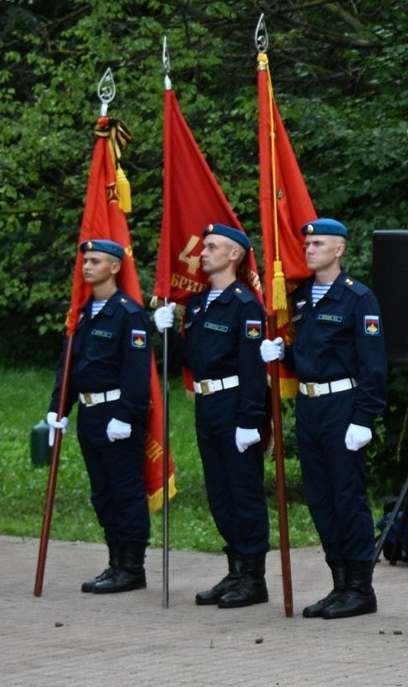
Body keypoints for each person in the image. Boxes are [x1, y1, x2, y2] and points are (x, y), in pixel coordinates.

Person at [273, 219, 387, 619]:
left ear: (339, 249)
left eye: (319, 244)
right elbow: (311, 355)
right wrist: (283, 354)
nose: (309, 249)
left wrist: (363, 417)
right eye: (307, 244)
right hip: (310, 407)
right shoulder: (301, 297)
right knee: (320, 498)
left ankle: (360, 587)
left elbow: (373, 364)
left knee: (347, 497)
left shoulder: (358, 298)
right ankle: (339, 583)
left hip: (343, 405)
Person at [156, 225, 272, 608]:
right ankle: (235, 569)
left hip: (236, 404)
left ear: (234, 255)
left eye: (211, 247)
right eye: (203, 247)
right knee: (219, 492)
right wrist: (167, 334)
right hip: (207, 406)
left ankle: (253, 578)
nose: (202, 253)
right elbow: (191, 360)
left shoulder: (245, 305)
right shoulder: (199, 304)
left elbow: (253, 368)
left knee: (244, 492)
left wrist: (251, 419)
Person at [50, 238, 153, 594]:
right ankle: (115, 562)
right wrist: (58, 409)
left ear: (115, 267)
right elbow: (69, 367)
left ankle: (132, 568)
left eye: (95, 261)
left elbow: (137, 371)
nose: (87, 267)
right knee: (103, 493)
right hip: (89, 412)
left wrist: (126, 414)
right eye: (85, 261)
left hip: (116, 413)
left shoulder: (128, 313)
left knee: (125, 491)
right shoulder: (81, 313)